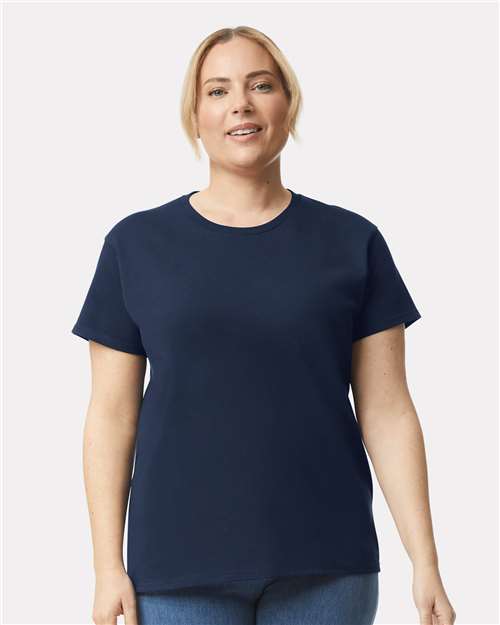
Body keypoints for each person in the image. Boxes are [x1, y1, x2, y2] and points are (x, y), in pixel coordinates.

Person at [71, 25, 456, 625]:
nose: (240, 105)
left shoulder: (352, 241)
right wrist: (105, 567)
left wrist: (425, 560)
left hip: (328, 564)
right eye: (218, 91)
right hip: (176, 568)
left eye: (260, 85)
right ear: (195, 116)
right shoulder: (136, 245)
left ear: (288, 103)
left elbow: (387, 410)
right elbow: (111, 415)